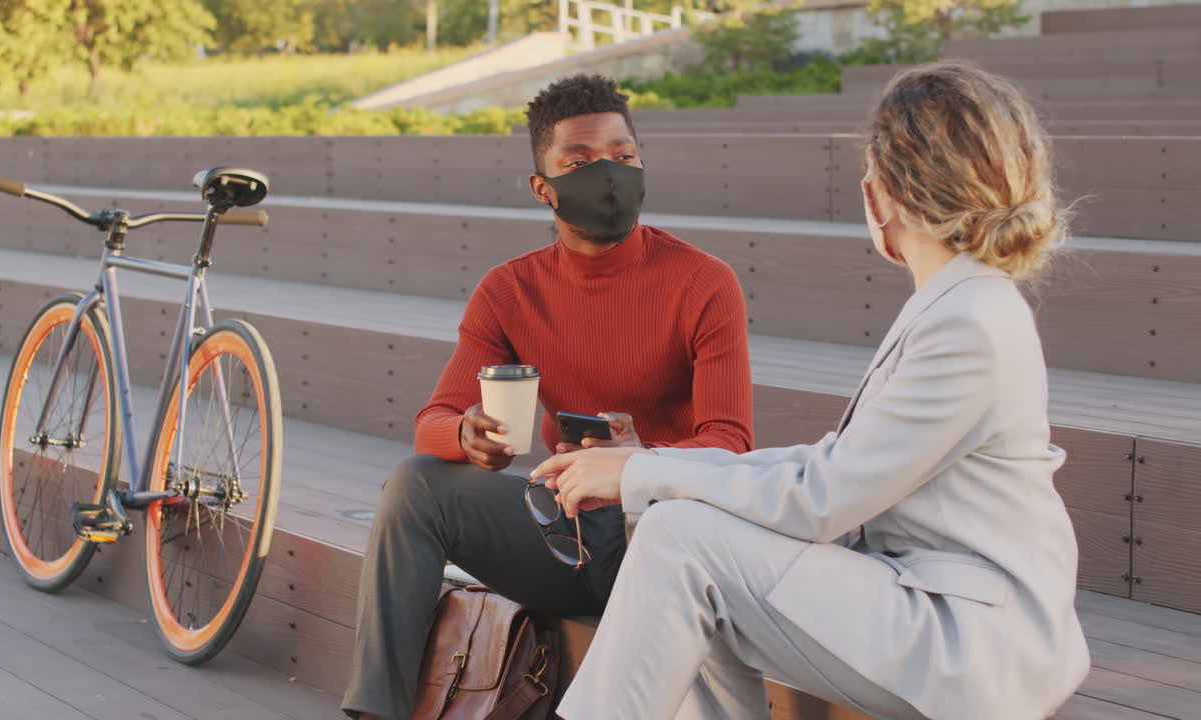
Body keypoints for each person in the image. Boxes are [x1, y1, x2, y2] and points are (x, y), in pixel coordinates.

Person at [533, 62, 1092, 720]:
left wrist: (643, 473)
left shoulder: (968, 322)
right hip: (932, 604)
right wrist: (648, 465)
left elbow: (823, 497)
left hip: (975, 641)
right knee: (685, 539)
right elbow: (829, 464)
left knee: (682, 539)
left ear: (886, 192)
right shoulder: (961, 304)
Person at [341, 74, 755, 720]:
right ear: (544, 189)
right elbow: (434, 423)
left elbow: (731, 443)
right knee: (415, 487)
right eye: (580, 162)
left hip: (665, 535)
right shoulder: (510, 291)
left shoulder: (704, 283)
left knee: (659, 520)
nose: (608, 175)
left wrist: (639, 460)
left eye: (623, 157)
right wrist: (468, 435)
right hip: (563, 532)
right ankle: (376, 712)